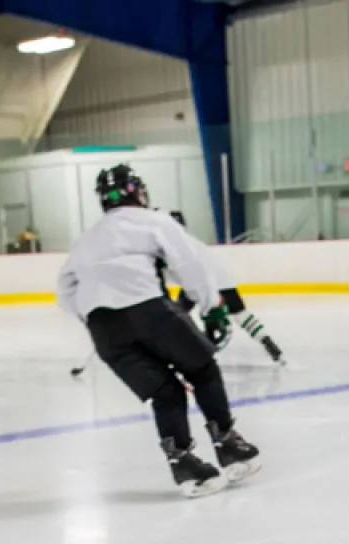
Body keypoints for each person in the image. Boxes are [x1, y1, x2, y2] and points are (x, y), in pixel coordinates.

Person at [55, 164, 263, 498]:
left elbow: (65, 290)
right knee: (203, 369)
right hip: (150, 311)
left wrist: (93, 317)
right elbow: (190, 265)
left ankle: (185, 466)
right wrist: (212, 308)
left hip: (104, 329)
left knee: (165, 392)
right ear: (136, 191)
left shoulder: (87, 238)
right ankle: (229, 445)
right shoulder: (156, 221)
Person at [166, 211, 288, 365]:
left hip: (198, 283)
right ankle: (268, 343)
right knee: (240, 314)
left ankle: (183, 352)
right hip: (221, 280)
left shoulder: (173, 244)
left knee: (176, 316)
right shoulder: (192, 241)